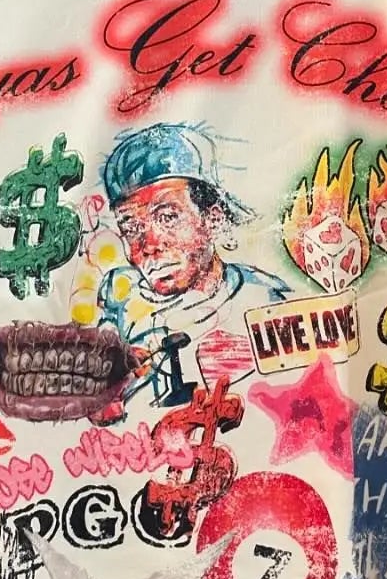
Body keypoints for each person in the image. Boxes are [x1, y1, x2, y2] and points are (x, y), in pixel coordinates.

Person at [96, 123, 290, 404]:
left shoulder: (265, 301)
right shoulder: (121, 301)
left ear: (213, 219)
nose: (149, 244)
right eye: (131, 227)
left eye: (167, 217)